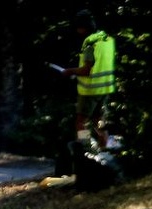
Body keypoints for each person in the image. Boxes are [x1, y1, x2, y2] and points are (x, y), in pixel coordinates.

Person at [61, 9, 116, 149]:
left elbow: (86, 70)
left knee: (81, 122)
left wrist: (69, 71)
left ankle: (84, 149)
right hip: (105, 89)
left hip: (90, 90)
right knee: (99, 120)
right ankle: (105, 148)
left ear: (82, 27)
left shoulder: (90, 44)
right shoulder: (107, 39)